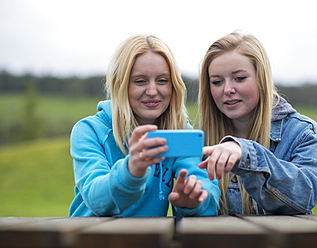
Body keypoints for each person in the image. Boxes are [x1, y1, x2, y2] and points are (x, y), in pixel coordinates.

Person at [69, 34, 220, 217]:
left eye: (162, 80)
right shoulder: (89, 131)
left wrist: (195, 201)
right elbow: (97, 199)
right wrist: (131, 171)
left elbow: (206, 190)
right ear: (121, 85)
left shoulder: (180, 133)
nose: (151, 91)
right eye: (140, 81)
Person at [197, 31, 317, 215]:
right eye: (217, 82)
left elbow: (305, 196)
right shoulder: (200, 140)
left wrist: (245, 152)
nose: (227, 89)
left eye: (240, 78)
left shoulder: (303, 133)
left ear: (262, 78)